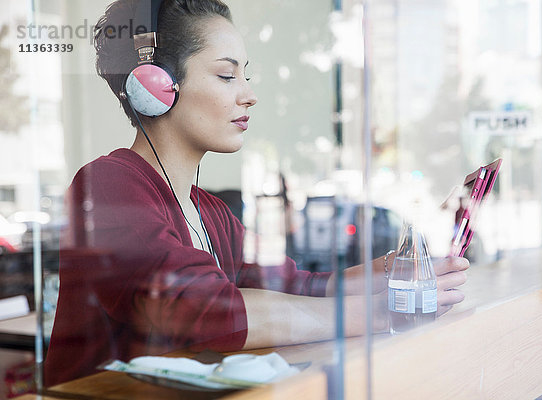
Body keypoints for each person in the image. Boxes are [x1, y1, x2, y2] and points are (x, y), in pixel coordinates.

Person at [44, 0, 469, 386]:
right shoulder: (106, 185)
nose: (249, 95)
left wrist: (391, 273)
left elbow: (296, 287)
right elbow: (205, 313)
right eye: (227, 75)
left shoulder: (208, 211)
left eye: (245, 75)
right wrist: (379, 313)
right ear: (156, 86)